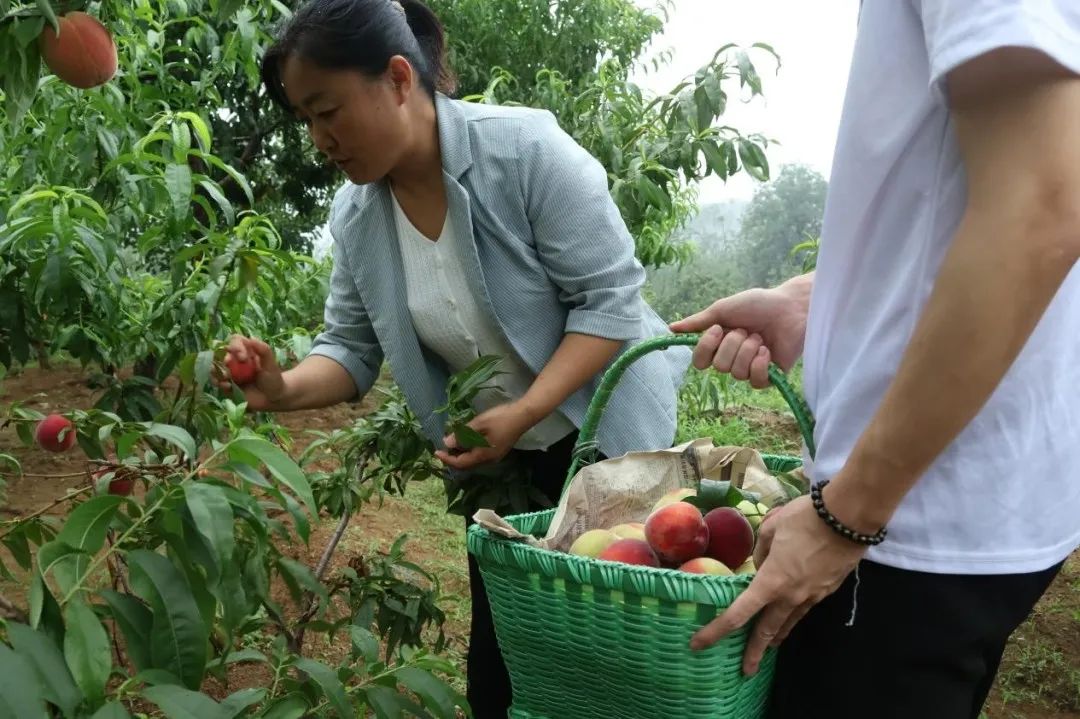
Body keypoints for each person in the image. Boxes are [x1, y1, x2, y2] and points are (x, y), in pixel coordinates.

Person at [225, 0, 689, 716]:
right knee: (504, 663)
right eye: (305, 120)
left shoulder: (523, 151)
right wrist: (280, 387)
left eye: (328, 111)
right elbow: (349, 350)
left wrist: (526, 410)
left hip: (607, 437)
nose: (319, 139)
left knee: (617, 649)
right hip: (497, 467)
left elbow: (610, 303)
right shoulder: (357, 217)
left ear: (398, 78)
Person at [673, 1, 1080, 717]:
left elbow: (1041, 208)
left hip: (902, 527)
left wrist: (847, 516)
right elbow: (958, 195)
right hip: (950, 505)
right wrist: (815, 300)